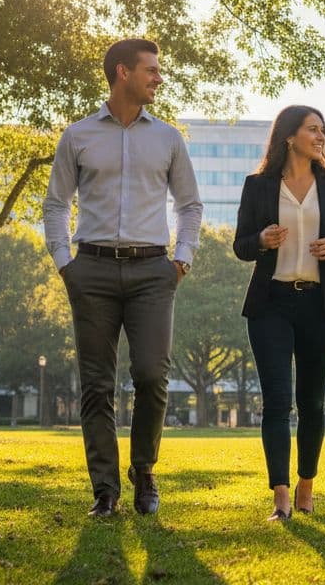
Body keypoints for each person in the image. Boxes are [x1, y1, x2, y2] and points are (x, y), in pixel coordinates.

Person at [43, 38, 203, 519]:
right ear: (121, 73)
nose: (158, 78)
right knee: (96, 384)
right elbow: (55, 204)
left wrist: (182, 258)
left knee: (153, 376)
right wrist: (63, 262)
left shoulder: (168, 138)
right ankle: (105, 490)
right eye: (150, 70)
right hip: (89, 268)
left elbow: (190, 205)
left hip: (154, 271)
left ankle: (145, 472)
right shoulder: (78, 135)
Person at [233, 105, 325, 522]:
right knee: (276, 402)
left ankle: (306, 488)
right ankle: (281, 498)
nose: (320, 136)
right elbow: (241, 245)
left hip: (319, 305)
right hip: (270, 304)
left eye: (323, 129)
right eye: (312, 129)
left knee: (312, 402)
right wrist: (262, 239)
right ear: (290, 136)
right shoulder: (258, 186)